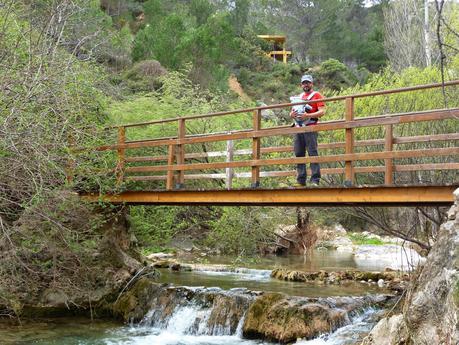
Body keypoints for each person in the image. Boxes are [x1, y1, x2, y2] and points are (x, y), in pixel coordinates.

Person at [289, 74, 326, 186]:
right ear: (301, 84)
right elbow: (292, 111)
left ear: (311, 84)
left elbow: (322, 111)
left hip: (310, 127)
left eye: (308, 83)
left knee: (312, 152)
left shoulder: (317, 95)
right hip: (298, 128)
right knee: (299, 153)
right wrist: (291, 114)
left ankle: (315, 180)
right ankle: (301, 180)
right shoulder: (298, 97)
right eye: (304, 83)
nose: (306, 85)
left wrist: (308, 115)